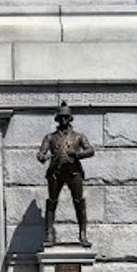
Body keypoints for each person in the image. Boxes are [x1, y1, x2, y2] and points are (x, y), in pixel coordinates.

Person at [37, 103, 94, 247]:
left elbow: (90, 150)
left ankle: (83, 234)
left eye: (66, 117)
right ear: (57, 119)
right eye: (61, 117)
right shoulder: (50, 137)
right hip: (56, 172)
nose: (63, 120)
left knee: (79, 202)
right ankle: (49, 234)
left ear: (70, 119)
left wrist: (78, 154)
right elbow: (41, 153)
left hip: (74, 172)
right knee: (52, 202)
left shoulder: (78, 136)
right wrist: (42, 157)